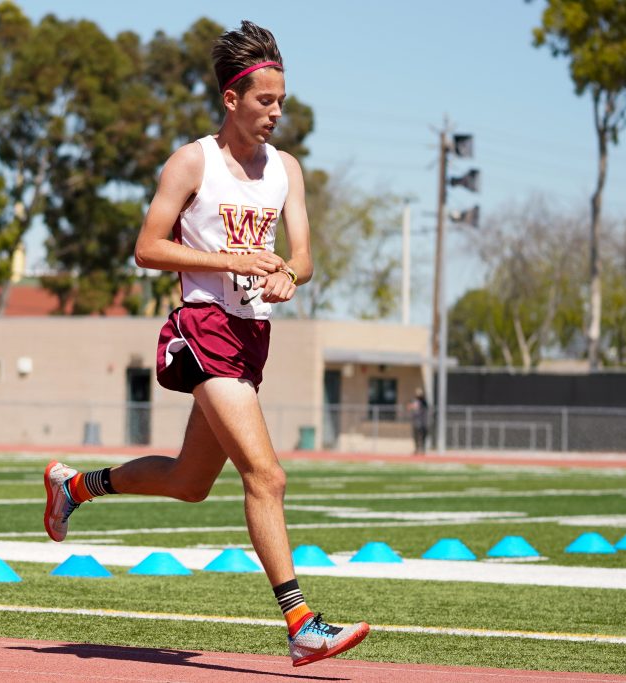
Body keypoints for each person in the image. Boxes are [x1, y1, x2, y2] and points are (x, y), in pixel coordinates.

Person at [43, 21, 368, 667]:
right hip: (203, 328)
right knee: (266, 476)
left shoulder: (286, 170)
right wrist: (230, 261)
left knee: (190, 482)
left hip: (252, 337)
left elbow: (303, 259)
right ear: (231, 99)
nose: (276, 112)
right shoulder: (193, 162)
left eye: (282, 101)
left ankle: (76, 486)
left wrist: (285, 273)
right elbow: (147, 248)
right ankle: (301, 624)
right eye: (265, 100)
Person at [408, 387, 429, 455]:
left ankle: (423, 449)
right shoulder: (414, 401)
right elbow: (409, 407)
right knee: (416, 437)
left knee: (423, 437)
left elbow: (426, 407)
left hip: (423, 422)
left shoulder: (424, 401)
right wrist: (411, 407)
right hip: (416, 421)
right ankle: (417, 449)